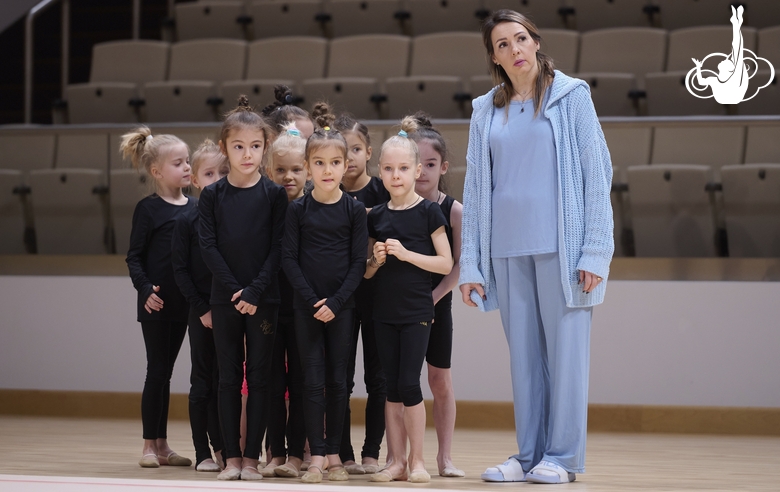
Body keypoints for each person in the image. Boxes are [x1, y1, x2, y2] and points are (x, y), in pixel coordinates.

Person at [459, 10, 614, 484]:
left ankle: (562, 458)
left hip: (562, 249)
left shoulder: (572, 97)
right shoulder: (486, 110)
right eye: (502, 44)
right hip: (506, 250)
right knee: (524, 360)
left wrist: (594, 251)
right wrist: (472, 264)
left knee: (566, 359)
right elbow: (477, 188)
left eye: (520, 39)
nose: (514, 50)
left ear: (536, 42)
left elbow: (597, 174)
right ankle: (529, 455)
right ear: (494, 57)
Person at [199, 95, 287, 481]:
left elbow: (278, 248)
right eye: (238, 146)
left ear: (265, 148)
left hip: (263, 300)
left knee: (262, 379)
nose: (247, 154)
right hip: (225, 299)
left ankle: (252, 458)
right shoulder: (213, 196)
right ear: (224, 149)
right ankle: (231, 457)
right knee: (228, 378)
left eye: (255, 146)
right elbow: (208, 246)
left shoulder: (273, 195)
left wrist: (253, 292)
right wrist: (236, 291)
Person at [282, 104, 369, 484]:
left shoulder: (354, 211)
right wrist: (311, 299)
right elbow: (288, 259)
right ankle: (315, 453)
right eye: (319, 163)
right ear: (309, 165)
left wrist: (335, 303)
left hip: (342, 308)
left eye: (335, 162)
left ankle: (334, 451)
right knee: (310, 380)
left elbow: (357, 265)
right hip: (306, 309)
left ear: (345, 163)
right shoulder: (298, 211)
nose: (328, 170)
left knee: (339, 382)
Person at [364, 119, 453, 484]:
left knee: (410, 383)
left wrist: (405, 254)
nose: (396, 175)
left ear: (417, 170)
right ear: (380, 171)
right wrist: (376, 261)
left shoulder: (430, 212)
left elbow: (445, 263)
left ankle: (418, 461)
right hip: (383, 312)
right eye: (388, 168)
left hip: (418, 311)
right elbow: (366, 273)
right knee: (389, 386)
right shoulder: (376, 216)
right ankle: (396, 461)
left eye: (403, 168)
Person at [122, 127, 195, 469]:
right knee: (157, 371)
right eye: (178, 163)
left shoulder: (194, 207)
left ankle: (163, 444)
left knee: (168, 372)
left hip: (184, 303)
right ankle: (149, 444)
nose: (186, 168)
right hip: (156, 302)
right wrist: (145, 289)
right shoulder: (148, 209)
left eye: (188, 162)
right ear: (157, 171)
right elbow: (134, 257)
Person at [408, 112, 464, 478]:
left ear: (443, 166)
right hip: (401, 307)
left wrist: (437, 295)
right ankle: (408, 457)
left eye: (431, 164)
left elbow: (460, 264)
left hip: (436, 304)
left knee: (439, 380)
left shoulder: (453, 210)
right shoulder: (398, 205)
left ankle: (445, 457)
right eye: (417, 164)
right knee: (402, 382)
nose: (423, 172)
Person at [333, 113, 387, 475]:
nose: (350, 158)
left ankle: (371, 451)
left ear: (368, 152)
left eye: (356, 149)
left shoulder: (384, 188)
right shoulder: (326, 191)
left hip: (380, 292)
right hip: (341, 294)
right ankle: (344, 452)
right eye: (343, 151)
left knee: (378, 377)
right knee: (341, 376)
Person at [171, 139, 230, 472]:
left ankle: (223, 448)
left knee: (227, 380)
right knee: (203, 381)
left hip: (229, 309)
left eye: (223, 172)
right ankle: (202, 451)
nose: (218, 180)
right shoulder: (186, 220)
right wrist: (203, 308)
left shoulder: (233, 218)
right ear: (194, 179)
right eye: (209, 173)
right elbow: (180, 270)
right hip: (202, 310)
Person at [263, 123, 308, 478]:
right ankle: (275, 452)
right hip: (269, 308)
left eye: (295, 169)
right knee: (273, 383)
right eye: (280, 170)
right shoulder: (264, 206)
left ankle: (297, 454)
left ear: (308, 169)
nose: (288, 176)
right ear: (269, 170)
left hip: (304, 308)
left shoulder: (312, 208)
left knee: (302, 384)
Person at [691, 5, 749, 104]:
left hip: (734, 96)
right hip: (725, 97)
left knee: (737, 50)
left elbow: (737, 47)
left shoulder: (735, 78)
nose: (725, 59)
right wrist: (698, 67)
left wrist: (736, 26)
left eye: (728, 61)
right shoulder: (714, 80)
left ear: (730, 70)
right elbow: (701, 82)